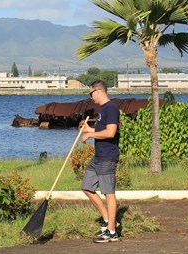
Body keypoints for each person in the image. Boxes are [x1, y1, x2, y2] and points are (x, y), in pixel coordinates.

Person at [79, 80, 120, 243]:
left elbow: (110, 133)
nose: (90, 97)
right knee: (87, 187)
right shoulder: (103, 109)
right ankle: (107, 219)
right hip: (98, 156)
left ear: (98, 91)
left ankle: (111, 232)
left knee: (108, 193)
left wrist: (90, 135)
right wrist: (89, 129)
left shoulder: (111, 108)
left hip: (108, 156)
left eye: (90, 94)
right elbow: (102, 130)